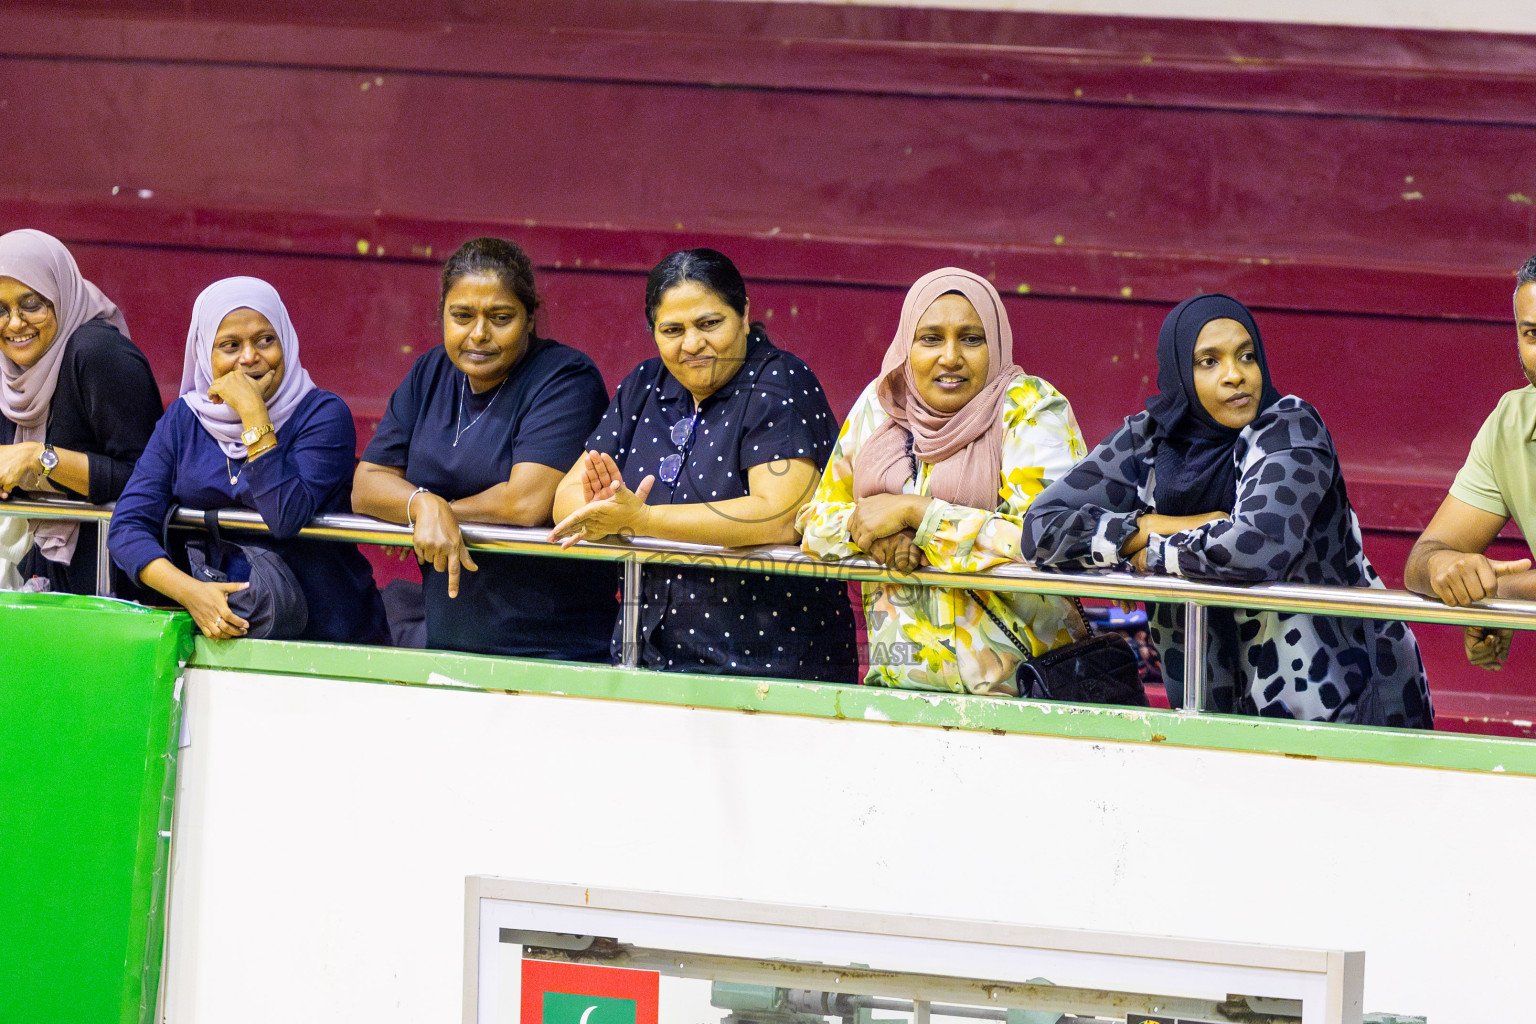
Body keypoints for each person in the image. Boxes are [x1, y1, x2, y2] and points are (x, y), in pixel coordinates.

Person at [1022, 293, 1432, 727]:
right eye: (1208, 362)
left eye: (1246, 356)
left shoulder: (1290, 428)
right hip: (1212, 710)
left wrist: (1151, 554)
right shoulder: (1148, 438)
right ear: (1179, 369)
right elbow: (1039, 529)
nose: (1235, 376)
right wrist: (1151, 527)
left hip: (1343, 700)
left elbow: (1255, 546)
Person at [550, 248, 856, 680]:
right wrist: (603, 510)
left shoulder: (779, 381)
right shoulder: (643, 386)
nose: (692, 344)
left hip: (770, 665)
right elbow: (566, 500)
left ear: (744, 314)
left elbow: (780, 515)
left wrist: (641, 520)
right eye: (672, 329)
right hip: (646, 658)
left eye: (709, 324)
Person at [798, 267, 1087, 694]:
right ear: (906, 345)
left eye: (971, 338)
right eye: (931, 338)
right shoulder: (881, 405)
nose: (950, 357)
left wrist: (918, 515)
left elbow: (1048, 538)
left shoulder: (1029, 407)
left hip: (1026, 689)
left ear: (996, 342)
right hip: (901, 685)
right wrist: (875, 536)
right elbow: (813, 522)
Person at [352, 237, 614, 659]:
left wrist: (442, 511)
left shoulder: (565, 378)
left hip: (552, 647)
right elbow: (366, 485)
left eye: (500, 317)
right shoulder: (430, 372)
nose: (479, 334)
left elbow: (525, 501)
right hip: (452, 637)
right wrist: (423, 506)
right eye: (462, 316)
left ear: (529, 318)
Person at [109, 277, 389, 644]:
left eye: (265, 340)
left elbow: (284, 515)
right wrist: (191, 593)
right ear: (204, 353)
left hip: (326, 639)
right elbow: (127, 527)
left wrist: (253, 413)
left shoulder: (322, 414)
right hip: (219, 633)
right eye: (229, 345)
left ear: (285, 341)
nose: (249, 357)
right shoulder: (184, 420)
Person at [0, 229, 162, 595]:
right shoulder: (6, 368)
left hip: (114, 581)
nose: (14, 324)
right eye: (0, 309)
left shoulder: (98, 353)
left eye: (31, 304)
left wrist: (37, 458)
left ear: (61, 295)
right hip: (39, 574)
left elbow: (148, 479)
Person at [1405, 254, 1536, 670]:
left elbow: (1511, 591)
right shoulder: (1511, 423)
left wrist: (1505, 592)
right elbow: (1422, 560)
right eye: (1533, 334)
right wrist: (1448, 569)